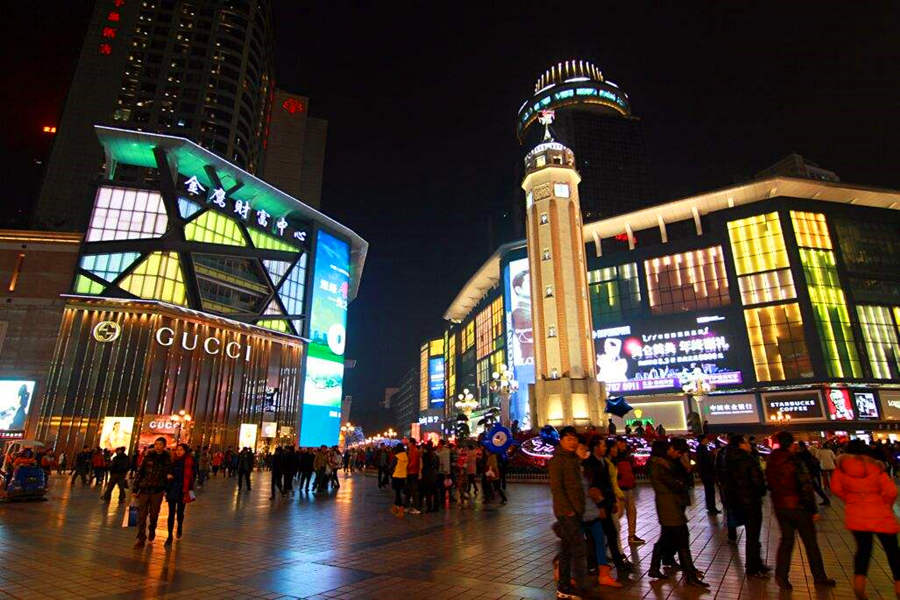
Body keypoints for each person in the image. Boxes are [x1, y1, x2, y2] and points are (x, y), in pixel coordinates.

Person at [831, 439, 900, 599]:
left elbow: (835, 488)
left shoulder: (841, 468)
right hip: (880, 514)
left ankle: (859, 586)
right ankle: (898, 586)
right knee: (893, 551)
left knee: (863, 551)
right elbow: (891, 492)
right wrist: (885, 505)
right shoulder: (875, 467)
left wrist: (850, 498)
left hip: (856, 516)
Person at [766, 431, 835, 590]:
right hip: (799, 507)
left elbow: (769, 483)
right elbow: (805, 486)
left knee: (786, 541)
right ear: (791, 444)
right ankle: (819, 577)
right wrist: (813, 509)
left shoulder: (771, 460)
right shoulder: (794, 460)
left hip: (780, 506)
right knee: (811, 543)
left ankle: (782, 576)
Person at [647, 439, 708, 587]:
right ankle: (690, 576)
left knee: (667, 538)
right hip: (669, 506)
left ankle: (655, 568)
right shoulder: (658, 465)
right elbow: (674, 483)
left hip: (671, 505)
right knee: (682, 540)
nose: (675, 454)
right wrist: (680, 482)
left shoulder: (664, 463)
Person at [721, 435, 769, 577]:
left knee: (752, 535)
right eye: (747, 443)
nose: (749, 445)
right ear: (741, 444)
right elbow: (757, 481)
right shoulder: (748, 459)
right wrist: (762, 490)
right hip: (750, 500)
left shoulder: (726, 458)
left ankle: (756, 564)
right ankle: (753, 567)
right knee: (753, 535)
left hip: (736, 500)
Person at [548, 426, 588, 599]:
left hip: (576, 510)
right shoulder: (557, 460)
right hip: (567, 512)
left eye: (574, 439)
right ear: (561, 440)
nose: (573, 442)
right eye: (569, 439)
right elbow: (557, 488)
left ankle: (564, 587)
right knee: (577, 549)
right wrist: (568, 510)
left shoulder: (573, 459)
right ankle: (576, 585)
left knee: (567, 549)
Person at [579, 439, 622, 588]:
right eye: (581, 448)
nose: (584, 451)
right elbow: (591, 489)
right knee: (575, 543)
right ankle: (567, 571)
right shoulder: (582, 465)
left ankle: (605, 571)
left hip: (595, 509)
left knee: (603, 537)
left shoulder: (596, 462)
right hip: (585, 511)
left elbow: (603, 485)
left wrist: (609, 501)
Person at [132, 437, 172, 548]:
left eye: (160, 444)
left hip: (158, 490)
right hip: (144, 489)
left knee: (154, 514)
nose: (158, 446)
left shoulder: (167, 459)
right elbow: (140, 473)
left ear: (164, 446)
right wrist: (135, 489)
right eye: (156, 444)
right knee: (141, 515)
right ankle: (140, 537)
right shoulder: (148, 457)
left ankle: (152, 529)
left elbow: (169, 474)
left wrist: (167, 487)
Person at [613, 437, 643, 545]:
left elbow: (632, 468)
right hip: (619, 488)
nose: (623, 445)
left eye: (624, 443)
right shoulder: (614, 457)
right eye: (621, 443)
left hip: (628, 487)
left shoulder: (627, 455)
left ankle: (632, 535)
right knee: (619, 513)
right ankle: (614, 537)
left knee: (632, 511)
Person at [163, 443, 193, 546]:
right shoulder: (173, 461)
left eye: (181, 450)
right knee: (171, 513)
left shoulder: (189, 462)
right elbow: (167, 473)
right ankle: (169, 535)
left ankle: (179, 525)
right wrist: (168, 478)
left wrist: (189, 490)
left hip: (182, 490)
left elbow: (191, 477)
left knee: (180, 512)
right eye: (177, 449)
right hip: (172, 489)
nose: (179, 451)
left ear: (185, 451)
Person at [797, 441, 830, 506]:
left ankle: (824, 501)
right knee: (816, 488)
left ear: (801, 446)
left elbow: (806, 463)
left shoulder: (803, 453)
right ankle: (826, 500)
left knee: (814, 488)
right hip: (810, 472)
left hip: (808, 473)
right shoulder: (807, 452)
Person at [697, 438, 720, 514]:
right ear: (703, 440)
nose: (707, 440)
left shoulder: (701, 448)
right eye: (706, 439)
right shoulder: (702, 448)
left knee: (709, 491)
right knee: (710, 491)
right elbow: (706, 461)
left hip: (705, 473)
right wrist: (712, 455)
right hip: (707, 473)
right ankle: (711, 508)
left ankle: (710, 507)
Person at [390, 443, 408, 517]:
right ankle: (395, 507)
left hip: (396, 476)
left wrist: (391, 471)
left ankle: (400, 509)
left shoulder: (396, 457)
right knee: (399, 492)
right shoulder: (406, 456)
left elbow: (391, 466)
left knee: (397, 493)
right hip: (403, 476)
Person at [406, 438, 421, 514]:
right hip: (411, 472)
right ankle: (410, 506)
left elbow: (413, 463)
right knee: (410, 490)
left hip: (413, 472)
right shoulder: (411, 451)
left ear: (412, 443)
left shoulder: (414, 451)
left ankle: (416, 507)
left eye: (408, 443)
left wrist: (407, 467)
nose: (408, 444)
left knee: (414, 490)